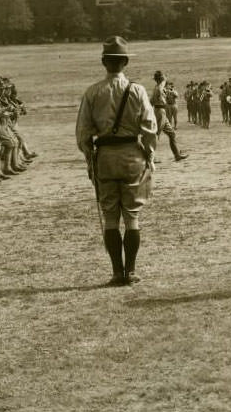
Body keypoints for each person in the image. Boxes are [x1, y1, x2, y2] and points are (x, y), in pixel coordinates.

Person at [76, 36, 158, 286]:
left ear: (104, 62)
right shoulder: (137, 90)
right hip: (132, 155)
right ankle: (130, 272)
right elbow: (150, 128)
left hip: (105, 159)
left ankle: (115, 272)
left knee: (110, 217)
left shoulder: (92, 92)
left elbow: (83, 133)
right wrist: (150, 154)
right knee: (132, 216)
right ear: (125, 62)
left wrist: (90, 158)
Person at [151, 71, 189, 162]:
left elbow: (151, 101)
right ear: (160, 79)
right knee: (156, 135)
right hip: (159, 111)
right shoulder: (158, 88)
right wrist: (164, 80)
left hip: (162, 111)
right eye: (163, 78)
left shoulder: (159, 88)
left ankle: (177, 155)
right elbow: (153, 99)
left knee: (172, 134)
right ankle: (151, 158)